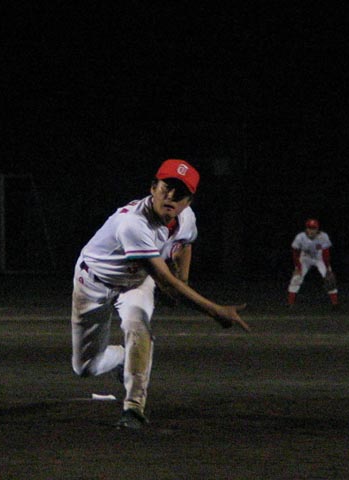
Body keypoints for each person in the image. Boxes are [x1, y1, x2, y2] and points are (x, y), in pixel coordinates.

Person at [70, 159, 250, 430]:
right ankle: (124, 359)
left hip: (137, 282)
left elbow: (185, 243)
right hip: (94, 283)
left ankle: (133, 408)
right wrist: (216, 311)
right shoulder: (133, 223)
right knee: (85, 367)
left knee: (138, 327)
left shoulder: (186, 218)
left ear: (188, 202)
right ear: (153, 188)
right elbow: (165, 282)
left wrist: (183, 278)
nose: (171, 196)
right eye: (166, 188)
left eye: (181, 193)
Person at [286, 218, 339, 308]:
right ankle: (290, 303)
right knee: (296, 278)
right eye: (309, 228)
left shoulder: (323, 236)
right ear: (306, 228)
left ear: (317, 229)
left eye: (313, 228)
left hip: (319, 258)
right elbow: (295, 253)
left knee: (329, 279)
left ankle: (335, 303)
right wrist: (298, 267)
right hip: (305, 258)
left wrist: (327, 269)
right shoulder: (300, 237)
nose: (311, 230)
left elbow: (326, 253)